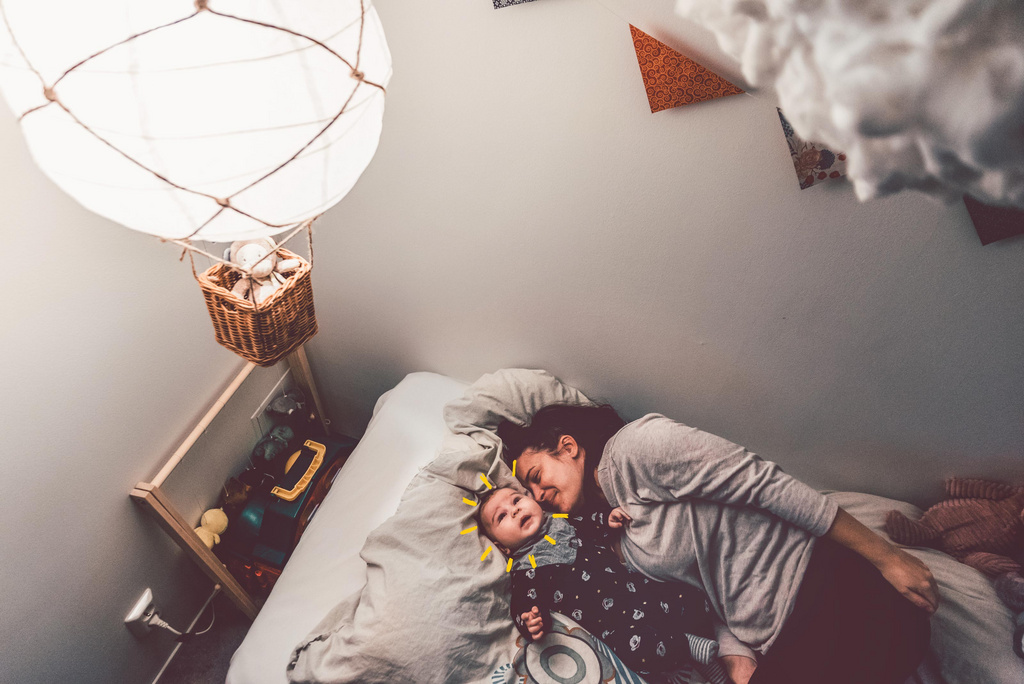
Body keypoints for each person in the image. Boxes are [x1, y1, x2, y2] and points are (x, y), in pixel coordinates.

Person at [497, 404, 936, 684]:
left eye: (537, 478)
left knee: (896, 641)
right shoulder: (613, 542)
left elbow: (760, 482)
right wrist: (735, 657)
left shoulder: (638, 449)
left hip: (827, 587)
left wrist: (887, 556)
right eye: (529, 494)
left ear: (568, 447)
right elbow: (707, 591)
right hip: (777, 642)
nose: (538, 497)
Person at [477, 485, 730, 681]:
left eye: (517, 500)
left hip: (636, 588)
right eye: (502, 517)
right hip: (614, 625)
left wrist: (606, 518)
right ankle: (688, 646)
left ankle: (709, 661)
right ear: (502, 548)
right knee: (642, 651)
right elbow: (523, 604)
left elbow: (590, 521)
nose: (515, 510)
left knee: (688, 601)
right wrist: (529, 620)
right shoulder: (524, 571)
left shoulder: (562, 520)